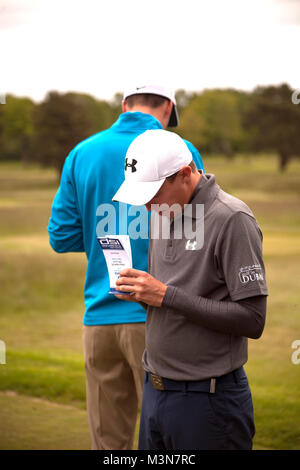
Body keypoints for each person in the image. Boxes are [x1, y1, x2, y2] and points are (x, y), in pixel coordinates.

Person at [47, 86, 204, 450]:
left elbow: (61, 236)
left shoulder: (81, 152)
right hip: (158, 319)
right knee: (169, 442)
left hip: (99, 319)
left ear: (124, 105)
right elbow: (197, 229)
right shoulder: (178, 150)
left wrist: (103, 231)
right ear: (168, 107)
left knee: (109, 446)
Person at [113, 129, 268, 450]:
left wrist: (165, 295)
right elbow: (175, 303)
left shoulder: (232, 218)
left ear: (184, 174)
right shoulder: (163, 211)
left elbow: (253, 320)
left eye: (152, 194)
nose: (146, 206)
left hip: (208, 403)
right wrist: (145, 295)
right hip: (155, 392)